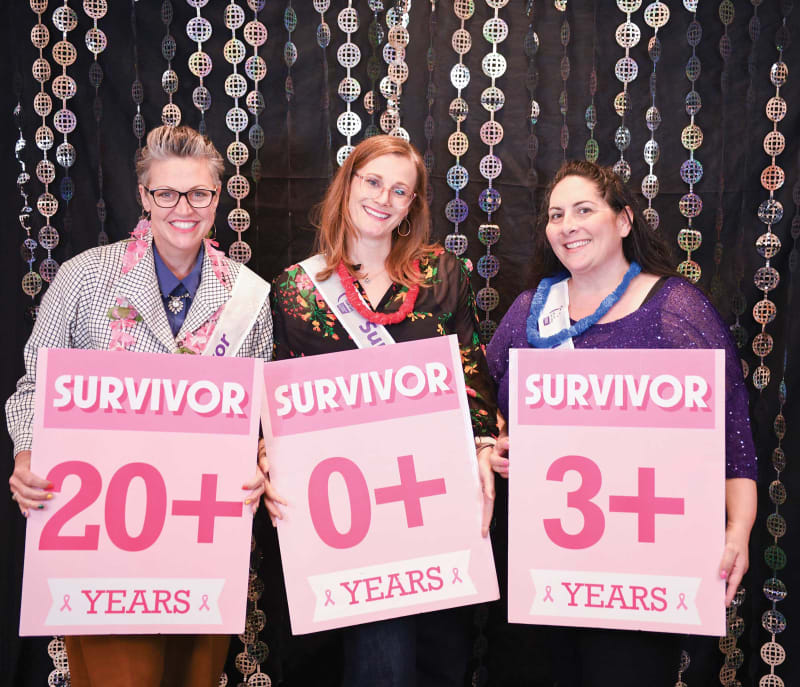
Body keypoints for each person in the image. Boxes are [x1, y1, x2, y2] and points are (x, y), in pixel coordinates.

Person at [6, 125, 274, 687]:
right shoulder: (84, 277)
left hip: (203, 539)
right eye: (167, 193)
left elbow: (264, 412)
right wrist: (27, 452)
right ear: (144, 196)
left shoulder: (248, 294)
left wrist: (263, 459)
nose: (184, 208)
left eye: (199, 193)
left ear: (217, 198)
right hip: (101, 542)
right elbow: (35, 386)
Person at [485, 160, 758, 687]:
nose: (568, 225)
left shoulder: (676, 309)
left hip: (638, 571)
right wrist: (495, 441)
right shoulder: (528, 311)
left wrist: (739, 528)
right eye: (556, 214)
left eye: (584, 209)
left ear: (625, 221)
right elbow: (489, 397)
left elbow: (732, 433)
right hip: (541, 564)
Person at [264, 134, 498, 686]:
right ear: (348, 185)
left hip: (431, 497)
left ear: (413, 205)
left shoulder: (440, 272)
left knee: (439, 656)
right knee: (374, 658)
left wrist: (485, 443)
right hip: (343, 512)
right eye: (373, 182)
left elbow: (470, 368)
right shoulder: (296, 289)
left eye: (401, 190)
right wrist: (265, 448)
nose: (384, 199)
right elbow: (275, 394)